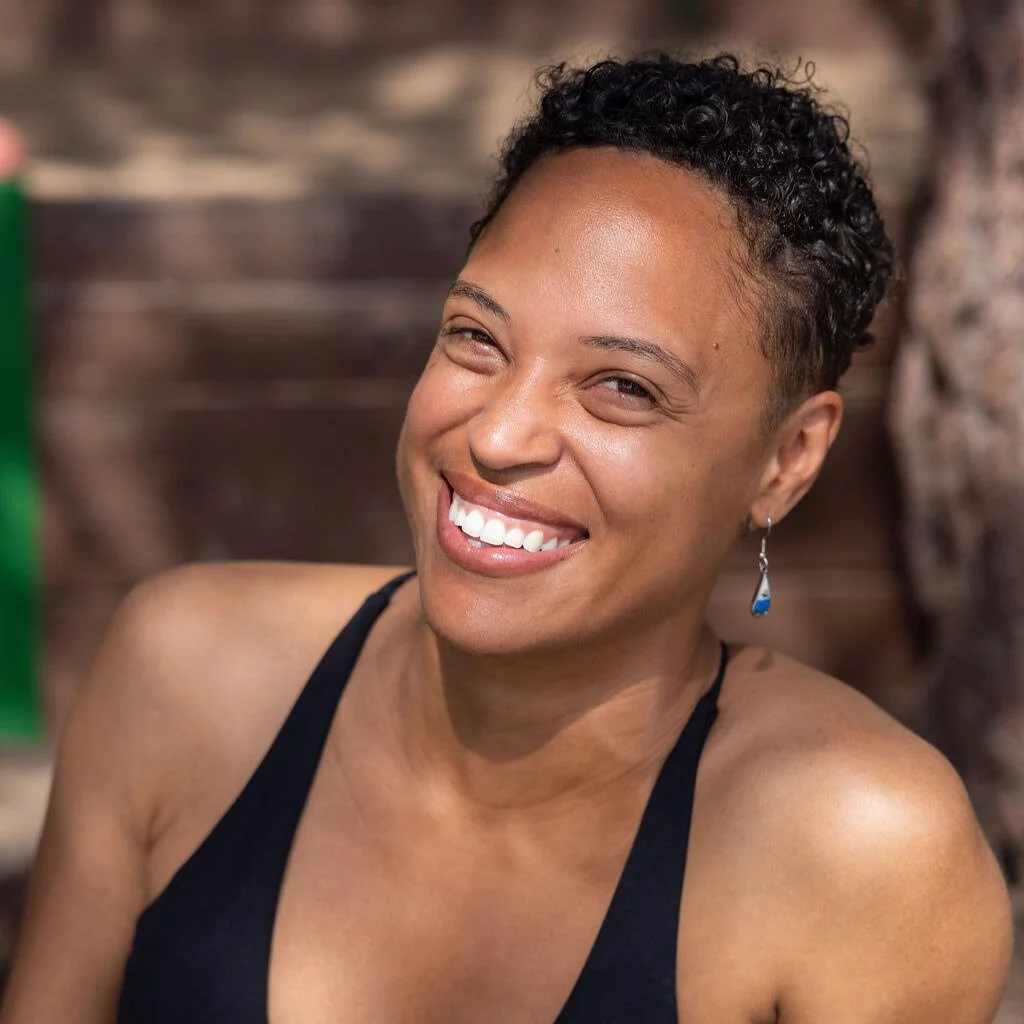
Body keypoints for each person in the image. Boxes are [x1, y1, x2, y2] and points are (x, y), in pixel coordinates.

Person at [1, 54, 1012, 1023]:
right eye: (476, 337)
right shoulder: (184, 675)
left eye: (623, 387)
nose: (496, 434)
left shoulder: (861, 850)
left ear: (785, 459)